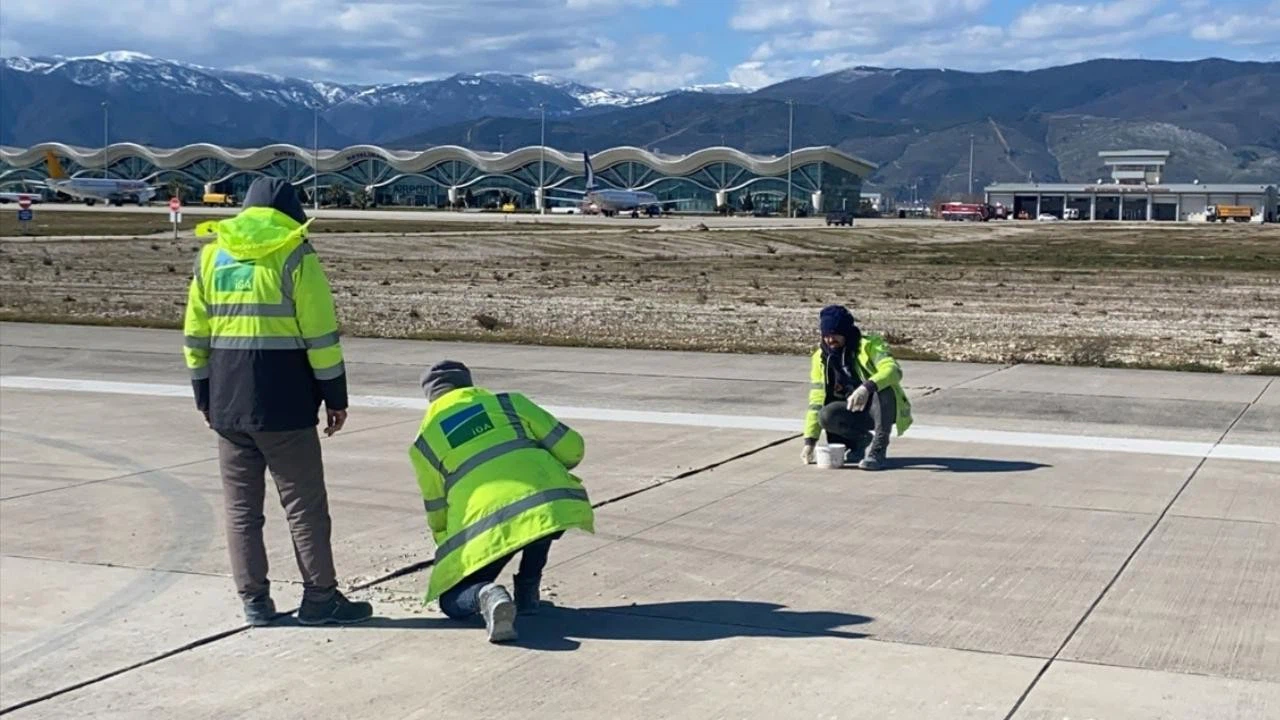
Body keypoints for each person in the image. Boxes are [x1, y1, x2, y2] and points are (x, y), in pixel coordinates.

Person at [182, 176, 372, 627]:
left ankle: (254, 602)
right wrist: (335, 397)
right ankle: (320, 598)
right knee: (304, 506)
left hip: (227, 401)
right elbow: (321, 338)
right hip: (284, 403)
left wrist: (203, 394)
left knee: (241, 510)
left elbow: (195, 335)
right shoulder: (296, 255)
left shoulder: (211, 255)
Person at [408, 360, 594, 643]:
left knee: (451, 600)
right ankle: (528, 593)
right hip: (548, 505)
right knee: (538, 514)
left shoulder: (424, 443)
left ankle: (487, 595)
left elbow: (437, 508)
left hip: (486, 526)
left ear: (431, 398)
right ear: (468, 385)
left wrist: (450, 552)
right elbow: (572, 449)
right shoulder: (510, 403)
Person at [800, 305, 913, 470]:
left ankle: (878, 451)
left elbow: (893, 370)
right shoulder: (820, 358)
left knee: (883, 390)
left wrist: (867, 387)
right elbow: (817, 400)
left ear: (846, 332)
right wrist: (810, 441)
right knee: (826, 415)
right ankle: (860, 441)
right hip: (853, 411)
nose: (830, 340)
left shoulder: (869, 345)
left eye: (835, 334)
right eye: (826, 335)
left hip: (881, 409)